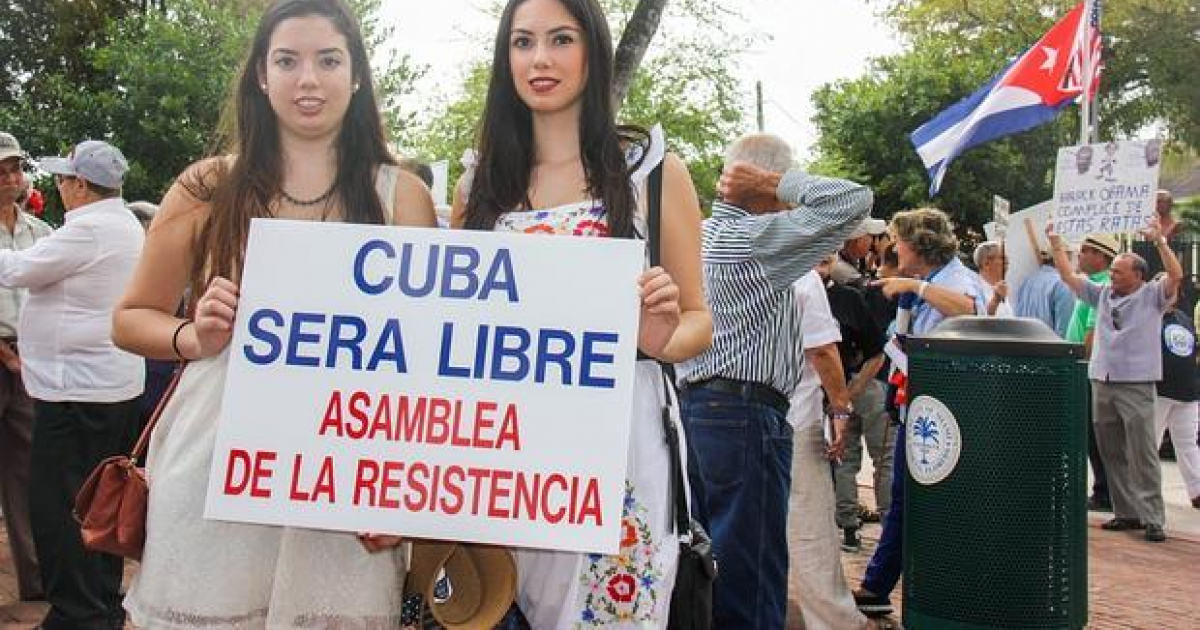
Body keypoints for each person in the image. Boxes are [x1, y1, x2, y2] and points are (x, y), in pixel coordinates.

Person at [113, 1, 436, 626]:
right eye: (287, 61)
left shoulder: (403, 197)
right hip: (213, 469)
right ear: (261, 77)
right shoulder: (207, 186)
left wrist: (403, 489)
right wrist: (193, 333)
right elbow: (129, 319)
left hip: (348, 476)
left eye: (328, 60)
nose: (307, 80)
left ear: (357, 74)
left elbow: (423, 365)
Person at [452, 0, 712, 626]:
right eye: (523, 42)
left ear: (591, 52)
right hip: (501, 451)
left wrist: (660, 338)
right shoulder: (477, 187)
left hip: (618, 454)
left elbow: (699, 320)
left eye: (560, 39)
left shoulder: (653, 173)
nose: (539, 58)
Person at [676, 132, 870, 630]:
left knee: (708, 565)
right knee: (752, 573)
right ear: (763, 186)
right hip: (743, 414)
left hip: (698, 411)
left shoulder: (696, 235)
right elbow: (853, 201)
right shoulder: (754, 239)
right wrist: (778, 182)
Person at [0, 138, 144, 629]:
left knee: (61, 508)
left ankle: (77, 614)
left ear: (81, 185)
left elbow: (16, 270)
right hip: (105, 387)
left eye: (63, 179)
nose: (59, 186)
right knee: (100, 500)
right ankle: (100, 604)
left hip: (76, 393)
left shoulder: (88, 230)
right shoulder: (122, 224)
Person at [853, 207, 985, 618]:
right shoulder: (927, 283)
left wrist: (914, 286)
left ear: (916, 245)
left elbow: (970, 311)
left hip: (944, 411)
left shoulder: (955, 282)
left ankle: (882, 585)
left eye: (898, 241)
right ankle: (879, 585)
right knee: (906, 499)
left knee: (911, 500)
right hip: (921, 406)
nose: (893, 248)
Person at [1049, 219, 1182, 543]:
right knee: (1111, 451)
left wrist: (1160, 242)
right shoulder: (1102, 294)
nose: (1112, 276)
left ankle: (1152, 517)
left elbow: (1176, 276)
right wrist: (1055, 242)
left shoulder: (1152, 296)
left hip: (1136, 383)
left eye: (1119, 272)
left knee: (1142, 452)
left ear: (1138, 275)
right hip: (1103, 381)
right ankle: (1126, 512)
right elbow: (1068, 276)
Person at [787, 259, 869, 630]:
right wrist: (840, 408)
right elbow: (821, 351)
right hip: (792, 418)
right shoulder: (799, 273)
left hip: (716, 413)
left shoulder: (710, 253)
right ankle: (833, 620)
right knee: (808, 525)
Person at [0, 130, 51, 604]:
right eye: (1, 170)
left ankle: (35, 582)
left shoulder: (42, 233)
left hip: (27, 359)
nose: (10, 177)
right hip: (8, 354)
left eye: (14, 168)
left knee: (25, 471)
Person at [1064, 233, 1119, 510]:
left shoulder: (1104, 286)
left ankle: (1104, 491)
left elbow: (1092, 332)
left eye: (1086, 251)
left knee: (1095, 435)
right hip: (1084, 369)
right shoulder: (1092, 284)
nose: (1080, 255)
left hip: (1087, 370)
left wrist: (1080, 364)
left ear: (1101, 256)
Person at [1153, 286, 1200, 510]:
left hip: (1188, 392)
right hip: (1159, 390)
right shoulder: (1149, 316)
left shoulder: (1183, 318)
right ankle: (1148, 493)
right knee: (1149, 443)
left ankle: (1197, 491)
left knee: (1188, 442)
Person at [1013, 249, 1075, 337]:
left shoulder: (1028, 280)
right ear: (1064, 260)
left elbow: (1017, 313)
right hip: (1047, 346)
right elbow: (1064, 330)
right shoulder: (1062, 284)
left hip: (1021, 343)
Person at [972, 240, 1014, 316]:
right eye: (1002, 257)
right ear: (986, 264)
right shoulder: (975, 291)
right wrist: (995, 301)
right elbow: (981, 322)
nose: (1007, 260)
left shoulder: (1000, 287)